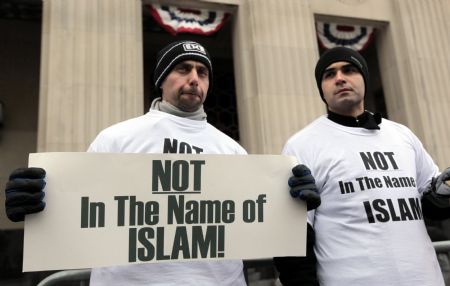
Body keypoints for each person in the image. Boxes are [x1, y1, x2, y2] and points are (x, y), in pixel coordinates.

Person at [4, 40, 320, 285]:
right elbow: (81, 210)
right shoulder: (116, 139)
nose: (194, 78)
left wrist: (290, 208)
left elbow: (256, 223)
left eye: (203, 71)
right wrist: (38, 206)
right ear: (162, 78)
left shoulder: (233, 150)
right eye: (183, 69)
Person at [274, 46, 450, 286]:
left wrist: (444, 194)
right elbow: (291, 238)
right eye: (329, 74)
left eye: (349, 70)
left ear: (364, 79)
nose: (340, 78)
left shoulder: (403, 135)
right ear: (321, 90)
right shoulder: (302, 145)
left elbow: (432, 204)